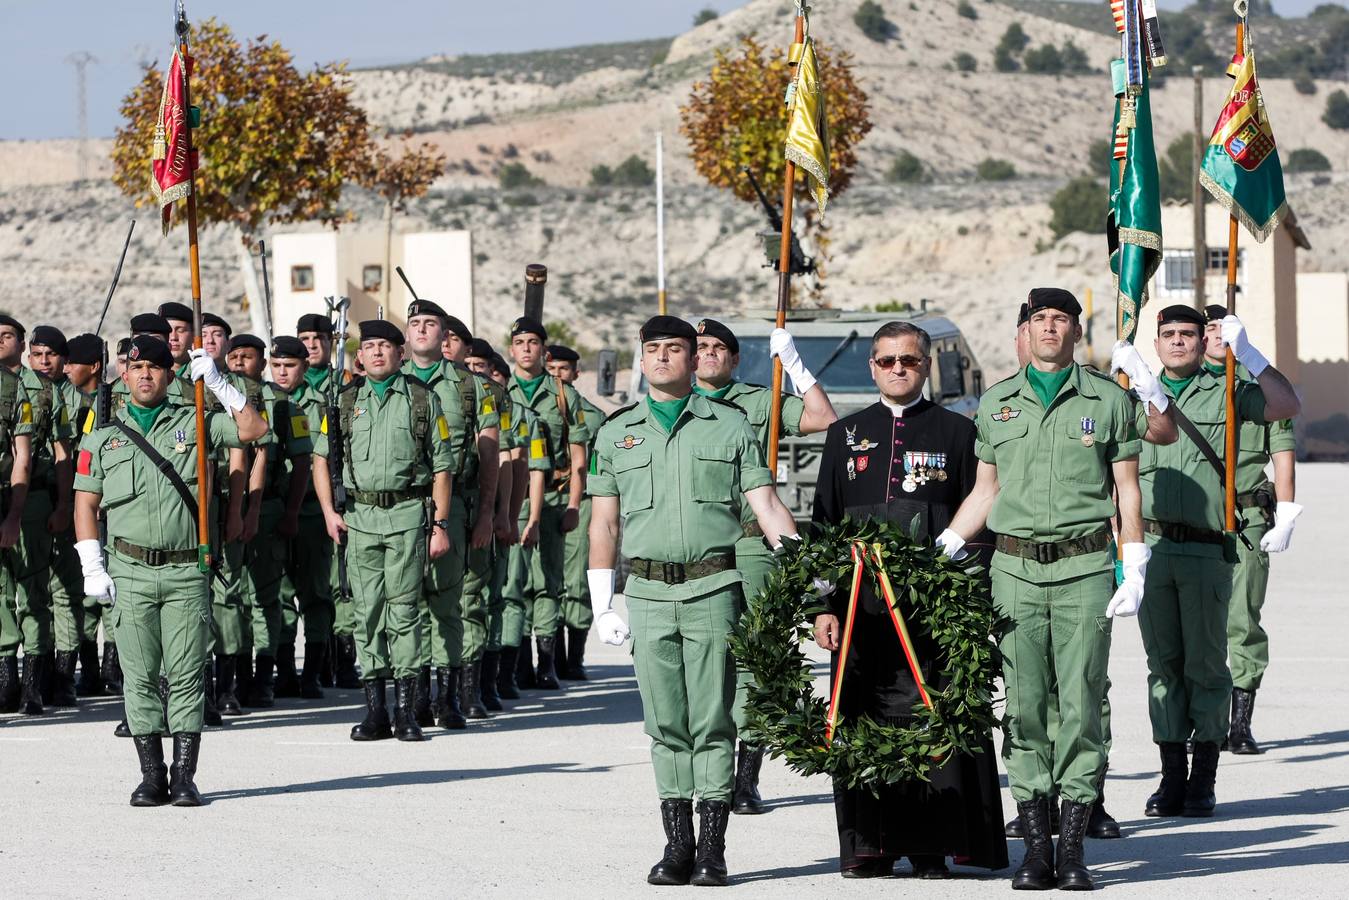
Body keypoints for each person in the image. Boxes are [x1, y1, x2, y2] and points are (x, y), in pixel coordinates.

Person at [941, 288, 1149, 890]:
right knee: (1025, 706)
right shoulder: (997, 403)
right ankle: (1036, 849)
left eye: (1061, 319)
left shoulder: (1109, 401)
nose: (1050, 327)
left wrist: (1133, 561)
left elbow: (1127, 490)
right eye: (1040, 319)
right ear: (1025, 332)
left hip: (1084, 569)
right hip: (1014, 572)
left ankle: (1074, 848)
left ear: (1077, 331)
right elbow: (985, 491)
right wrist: (948, 542)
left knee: (1081, 703)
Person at [587, 315, 799, 887]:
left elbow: (766, 504)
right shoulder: (616, 433)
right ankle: (676, 845)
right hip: (648, 593)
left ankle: (712, 848)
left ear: (692, 358)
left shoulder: (730, 426)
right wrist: (602, 603)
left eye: (674, 348)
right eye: (653, 348)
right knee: (665, 724)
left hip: (713, 588)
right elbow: (604, 524)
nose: (662, 357)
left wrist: (805, 566)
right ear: (641, 360)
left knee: (712, 720)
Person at [810, 320, 1007, 879]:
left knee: (932, 713)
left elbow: (981, 516)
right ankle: (868, 846)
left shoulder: (959, 431)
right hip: (861, 608)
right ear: (872, 367)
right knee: (863, 715)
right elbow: (824, 524)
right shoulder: (844, 434)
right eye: (887, 360)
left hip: (934, 607)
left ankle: (930, 847)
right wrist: (821, 605)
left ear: (926, 366)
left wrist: (968, 596)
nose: (898, 368)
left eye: (910, 360)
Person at [74, 336, 267, 806]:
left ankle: (183, 775)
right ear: (123, 375)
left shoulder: (195, 421)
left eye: (155, 367)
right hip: (130, 570)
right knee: (139, 676)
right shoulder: (102, 438)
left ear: (169, 374)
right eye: (137, 367)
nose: (145, 375)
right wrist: (91, 564)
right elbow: (85, 503)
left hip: (185, 570)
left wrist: (220, 383)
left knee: (185, 675)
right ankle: (151, 775)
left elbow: (253, 429)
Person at [1138, 305, 1300, 819]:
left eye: (1188, 334)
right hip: (1153, 549)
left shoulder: (1228, 388)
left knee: (1206, 667)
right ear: (1156, 343)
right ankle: (1171, 776)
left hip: (1208, 548)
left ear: (1199, 341)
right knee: (1163, 668)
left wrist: (1251, 356)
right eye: (1169, 334)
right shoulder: (1135, 393)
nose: (1179, 341)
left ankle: (1203, 778)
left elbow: (1285, 404)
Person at [693, 317, 838, 815]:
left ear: (735, 359)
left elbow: (823, 417)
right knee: (709, 661)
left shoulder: (760, 400)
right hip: (702, 551)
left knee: (756, 656)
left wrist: (794, 364)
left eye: (718, 347)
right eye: (700, 346)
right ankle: (708, 775)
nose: (708, 353)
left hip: (753, 542)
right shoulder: (677, 406)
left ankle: (745, 780)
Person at [311, 319, 455, 742]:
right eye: (369, 346)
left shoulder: (423, 400)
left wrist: (440, 524)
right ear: (359, 356)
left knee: (405, 611)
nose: (376, 352)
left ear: (400, 353)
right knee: (366, 611)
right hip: (360, 518)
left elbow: (443, 468)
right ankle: (375, 710)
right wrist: (329, 512)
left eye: (385, 346)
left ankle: (407, 710)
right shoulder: (344, 401)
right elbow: (321, 458)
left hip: (408, 515)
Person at [1202, 305, 1300, 755]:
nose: (1215, 337)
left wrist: (1287, 513)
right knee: (1199, 625)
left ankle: (1239, 723)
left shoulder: (1259, 392)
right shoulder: (1183, 389)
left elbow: (1282, 455)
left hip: (1245, 519)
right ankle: (1204, 720)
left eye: (1222, 330)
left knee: (1241, 620)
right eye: (1208, 330)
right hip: (1198, 520)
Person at [401, 300, 501, 728]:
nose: (423, 330)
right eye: (415, 323)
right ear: (407, 334)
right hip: (404, 504)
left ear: (445, 336)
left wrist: (487, 514)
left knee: (449, 601)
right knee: (408, 601)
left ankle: (448, 697)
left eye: (431, 324)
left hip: (456, 503)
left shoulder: (471, 387)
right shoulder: (392, 381)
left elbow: (490, 454)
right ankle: (417, 697)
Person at [505, 317, 589, 690]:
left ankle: (547, 664)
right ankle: (519, 664)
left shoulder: (563, 396)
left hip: (553, 498)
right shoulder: (500, 392)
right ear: (511, 350)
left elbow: (578, 458)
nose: (526, 349)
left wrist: (573, 505)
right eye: (520, 342)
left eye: (533, 342)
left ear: (544, 350)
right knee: (514, 583)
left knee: (549, 582)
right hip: (513, 500)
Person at [0, 315, 72, 715]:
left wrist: (63, 505)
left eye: (7, 335)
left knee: (33, 591)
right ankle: (6, 678)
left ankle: (33, 684)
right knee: (1, 592)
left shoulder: (45, 391)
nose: (0, 342)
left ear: (21, 343)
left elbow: (62, 453)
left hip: (34, 499)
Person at [475, 345, 548, 703]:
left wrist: (531, 518)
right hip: (472, 509)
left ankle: (504, 674)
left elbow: (531, 467)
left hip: (512, 509)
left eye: (487, 370)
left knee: (510, 592)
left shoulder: (520, 416)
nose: (481, 374)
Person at [298, 311, 361, 689]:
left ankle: (344, 659)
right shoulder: (288, 385)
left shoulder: (345, 386)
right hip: (300, 497)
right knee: (307, 586)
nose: (311, 345)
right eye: (305, 339)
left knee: (342, 582)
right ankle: (315, 664)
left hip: (339, 495)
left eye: (318, 338)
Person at [267, 335, 329, 699]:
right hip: (277, 506)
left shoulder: (320, 405)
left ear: (304, 367)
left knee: (315, 593)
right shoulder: (265, 401)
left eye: (289, 366)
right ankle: (286, 670)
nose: (282, 372)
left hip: (310, 511)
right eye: (276, 365)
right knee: (280, 593)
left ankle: (313, 674)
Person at [62, 332, 117, 697]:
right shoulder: (69, 399)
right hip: (83, 502)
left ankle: (112, 667)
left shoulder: (110, 402)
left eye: (73, 363)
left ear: (94, 366)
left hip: (108, 506)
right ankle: (89, 670)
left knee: (110, 589)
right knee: (84, 592)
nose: (66, 368)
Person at [545, 343, 604, 680]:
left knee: (577, 579)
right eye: (552, 369)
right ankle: (550, 659)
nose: (557, 375)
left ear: (576, 373)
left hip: (580, 501)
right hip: (543, 498)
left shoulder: (593, 417)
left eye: (563, 369)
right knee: (545, 578)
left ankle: (574, 658)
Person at [0, 361, 34, 714]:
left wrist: (13, 516)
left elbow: (22, 457)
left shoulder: (12, 387)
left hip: (2, 500)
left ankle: (7, 680)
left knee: (2, 592)